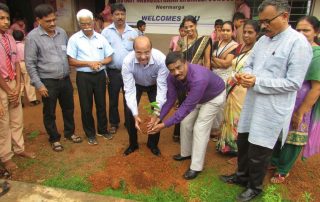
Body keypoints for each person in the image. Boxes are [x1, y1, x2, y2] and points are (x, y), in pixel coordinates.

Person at [220, 1, 313, 201]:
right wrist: (246, 75)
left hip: (272, 108)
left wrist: (257, 81)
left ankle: (254, 187)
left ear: (285, 16)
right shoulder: (262, 41)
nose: (263, 26)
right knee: (244, 142)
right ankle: (241, 176)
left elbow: (293, 83)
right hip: (252, 101)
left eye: (267, 21)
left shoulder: (298, 43)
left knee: (259, 150)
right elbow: (249, 64)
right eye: (261, 21)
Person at [148, 51, 225, 180]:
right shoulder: (171, 77)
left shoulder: (198, 78)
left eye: (179, 67)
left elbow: (185, 108)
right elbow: (170, 99)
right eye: (172, 70)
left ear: (185, 63)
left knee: (200, 128)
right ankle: (186, 153)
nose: (176, 72)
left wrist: (163, 125)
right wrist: (157, 117)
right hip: (198, 97)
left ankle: (196, 167)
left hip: (214, 96)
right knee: (185, 122)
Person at [270, 16, 320, 184]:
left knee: (293, 136)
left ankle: (283, 169)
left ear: (316, 32)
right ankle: (275, 161)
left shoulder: (317, 55)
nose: (301, 33)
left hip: (301, 103)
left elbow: (316, 88)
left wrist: (301, 111)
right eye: (298, 29)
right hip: (285, 99)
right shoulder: (293, 48)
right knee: (279, 133)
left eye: (306, 30)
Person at [25, 4, 82, 152]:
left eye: (53, 20)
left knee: (69, 108)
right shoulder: (32, 37)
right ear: (38, 20)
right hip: (47, 82)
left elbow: (68, 53)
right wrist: (39, 85)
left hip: (65, 79)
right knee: (49, 112)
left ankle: (70, 133)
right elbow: (30, 64)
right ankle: (54, 138)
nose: (52, 23)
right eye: (48, 21)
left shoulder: (62, 33)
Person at [67, 9, 114, 145]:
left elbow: (109, 57)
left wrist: (99, 63)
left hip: (99, 75)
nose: (87, 27)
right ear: (79, 24)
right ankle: (90, 134)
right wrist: (89, 63)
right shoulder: (74, 39)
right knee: (86, 106)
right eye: (83, 24)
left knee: (101, 104)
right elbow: (71, 61)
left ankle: (103, 130)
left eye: (89, 23)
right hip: (83, 77)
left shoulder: (101, 38)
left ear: (93, 21)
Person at [0, 3, 35, 171]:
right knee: (3, 122)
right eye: (1, 18)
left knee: (16, 119)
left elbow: (16, 64)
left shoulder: (10, 38)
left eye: (7, 18)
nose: (5, 22)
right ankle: (5, 157)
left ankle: (19, 149)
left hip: (14, 83)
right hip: (2, 86)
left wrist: (18, 86)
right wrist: (8, 90)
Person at [216, 20, 260, 155]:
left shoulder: (258, 51)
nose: (246, 35)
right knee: (228, 116)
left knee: (239, 119)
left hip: (244, 90)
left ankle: (238, 150)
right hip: (232, 87)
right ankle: (226, 145)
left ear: (257, 34)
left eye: (250, 32)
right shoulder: (240, 48)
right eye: (245, 32)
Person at [122, 36, 168, 156]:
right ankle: (133, 144)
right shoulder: (127, 62)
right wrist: (135, 114)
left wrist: (156, 111)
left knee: (157, 111)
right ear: (134, 51)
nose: (143, 56)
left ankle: (152, 144)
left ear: (151, 49)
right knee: (129, 112)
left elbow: (162, 88)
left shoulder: (161, 59)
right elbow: (130, 90)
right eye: (138, 52)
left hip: (154, 86)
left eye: (147, 52)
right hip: (136, 85)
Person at [101, 3, 138, 135]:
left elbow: (137, 52)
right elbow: (102, 53)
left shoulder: (134, 32)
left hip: (129, 72)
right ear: (112, 16)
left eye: (122, 14)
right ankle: (114, 123)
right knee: (113, 99)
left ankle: (129, 122)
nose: (120, 17)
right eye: (117, 14)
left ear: (125, 15)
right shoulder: (105, 33)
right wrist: (104, 72)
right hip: (113, 72)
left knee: (129, 98)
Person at [12, 30, 40, 107]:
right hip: (24, 63)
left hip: (16, 65)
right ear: (23, 37)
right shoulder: (24, 45)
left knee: (19, 82)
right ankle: (32, 99)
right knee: (28, 81)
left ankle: (20, 99)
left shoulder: (12, 46)